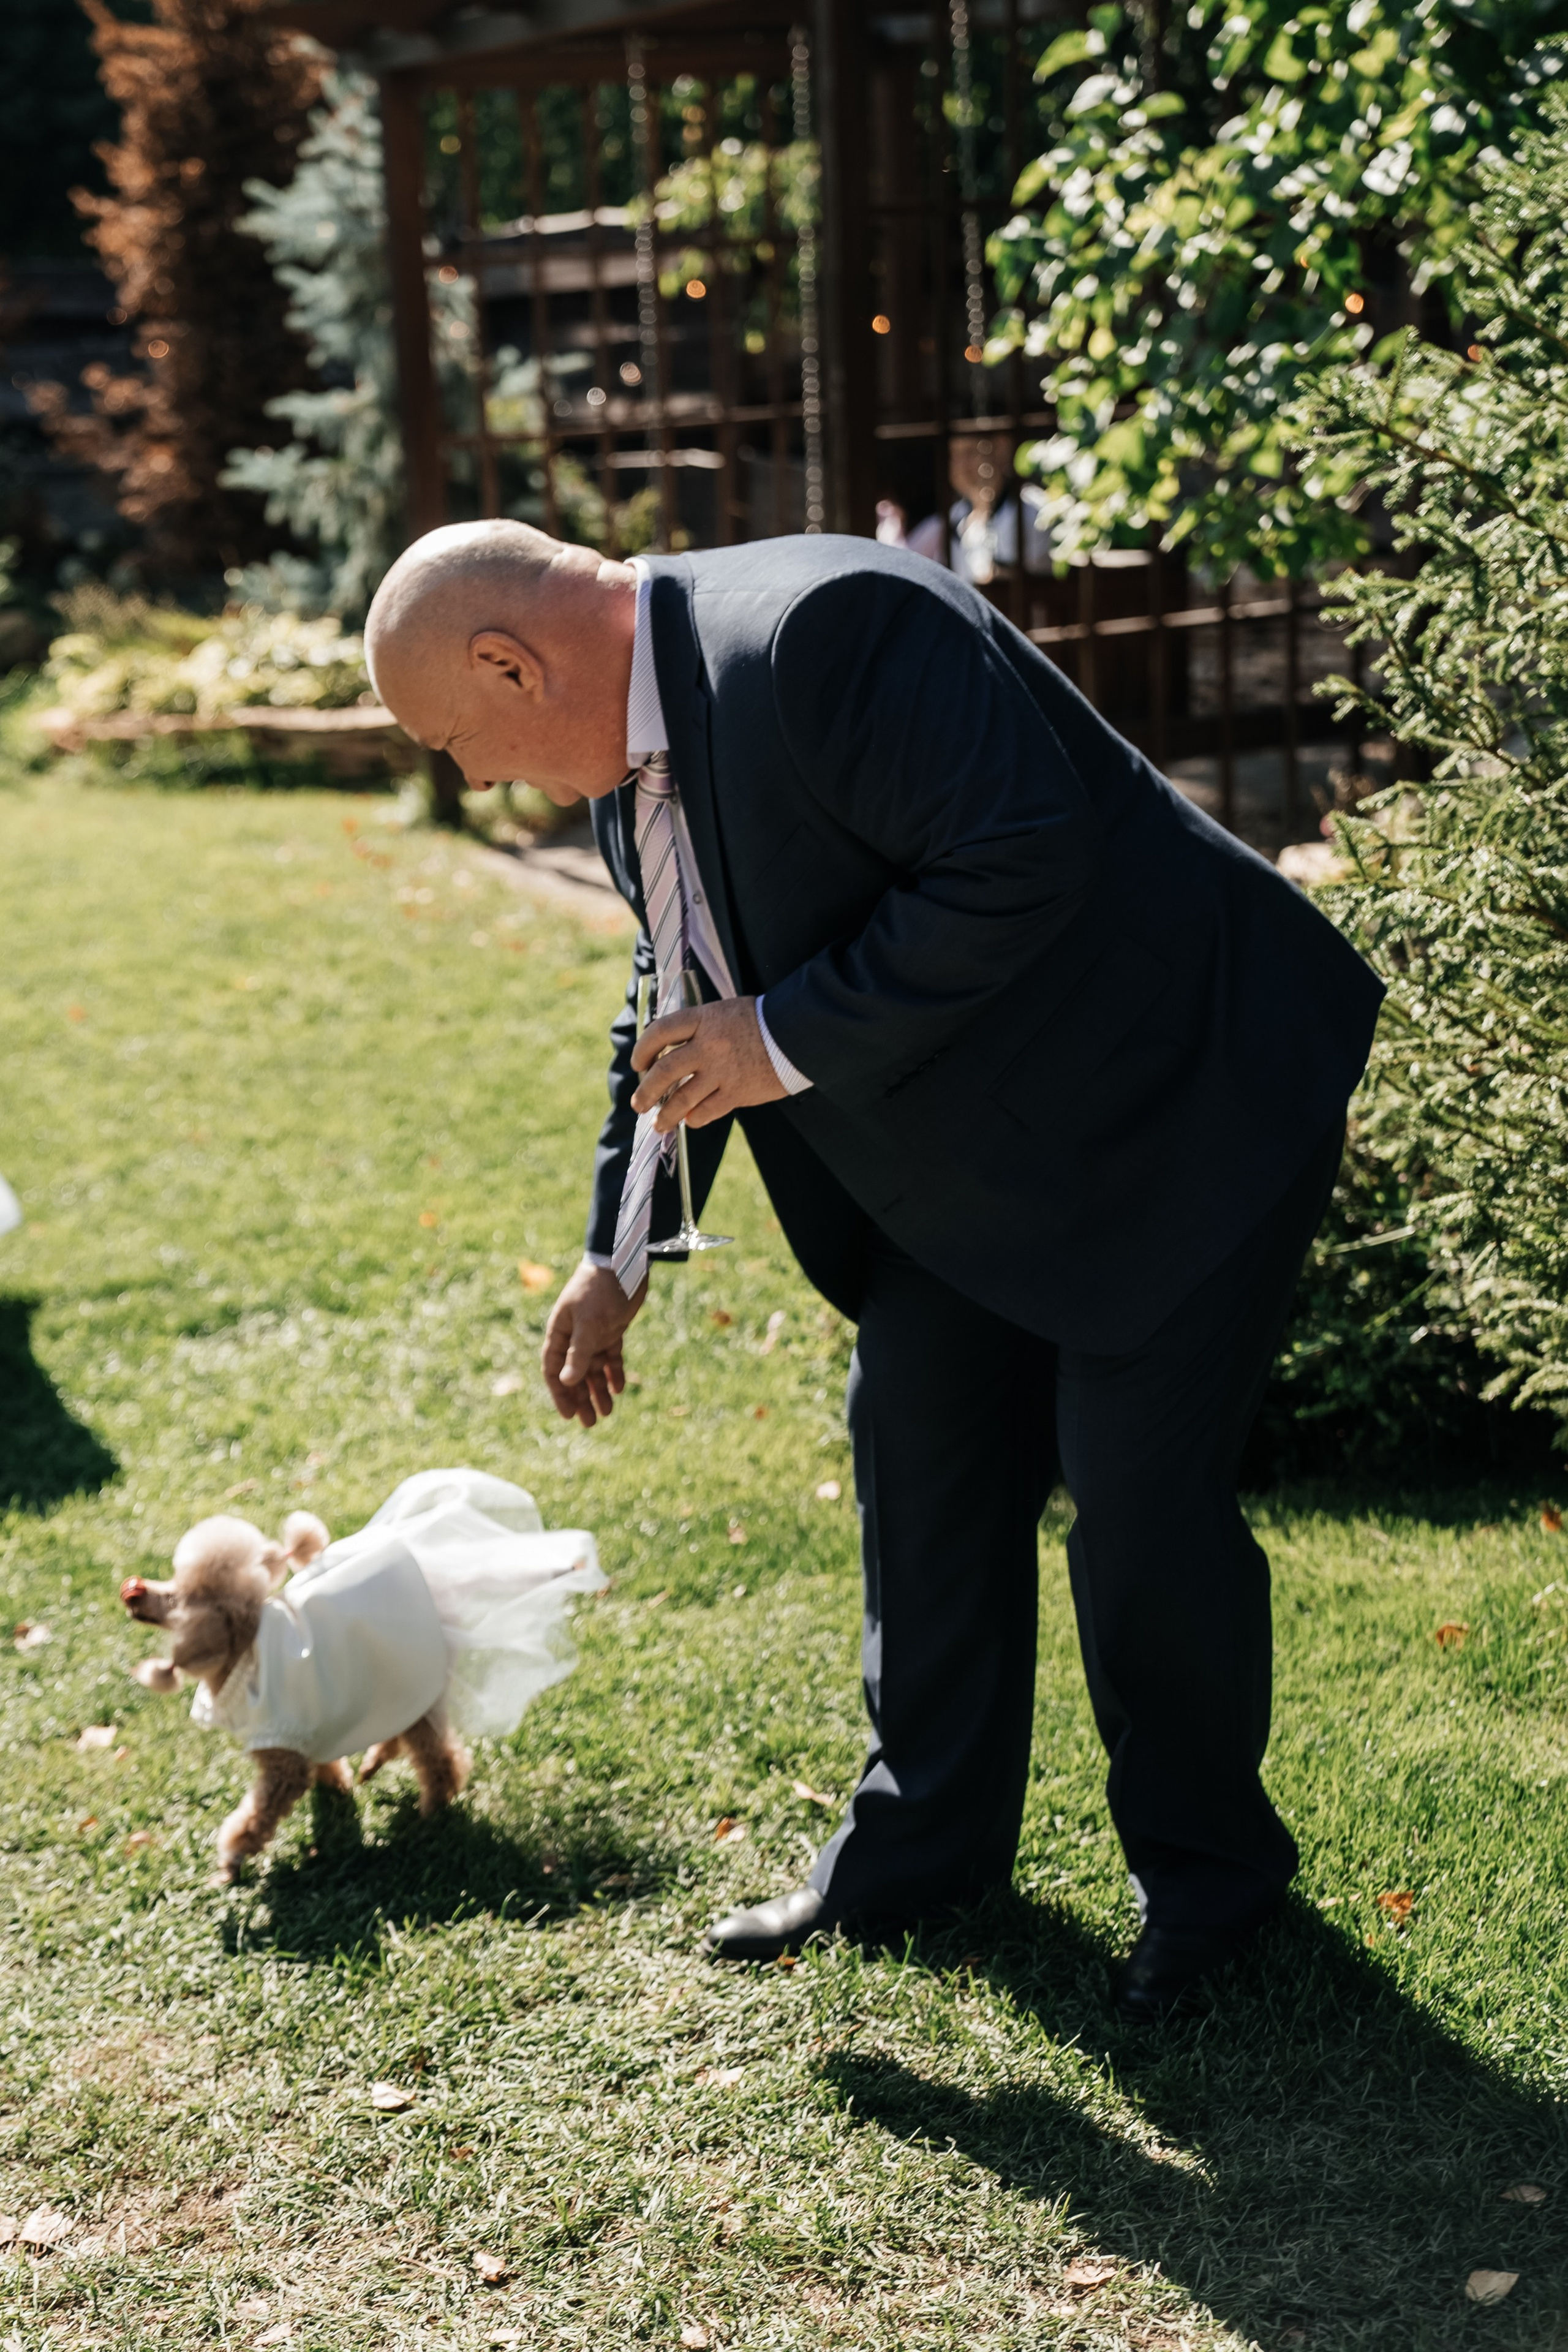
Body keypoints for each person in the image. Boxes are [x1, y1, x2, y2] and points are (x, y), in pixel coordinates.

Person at [364, 520, 1382, 2022]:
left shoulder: (823, 630)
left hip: (1178, 1104)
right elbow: (681, 1000)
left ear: (513, 663)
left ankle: (1213, 1896)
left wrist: (775, 1044)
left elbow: (1022, 850)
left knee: (1138, 1512)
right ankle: (918, 1855)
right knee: (915, 1444)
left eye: (459, 738)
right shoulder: (627, 780)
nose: (473, 779)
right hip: (978, 1153)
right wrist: (620, 1250)